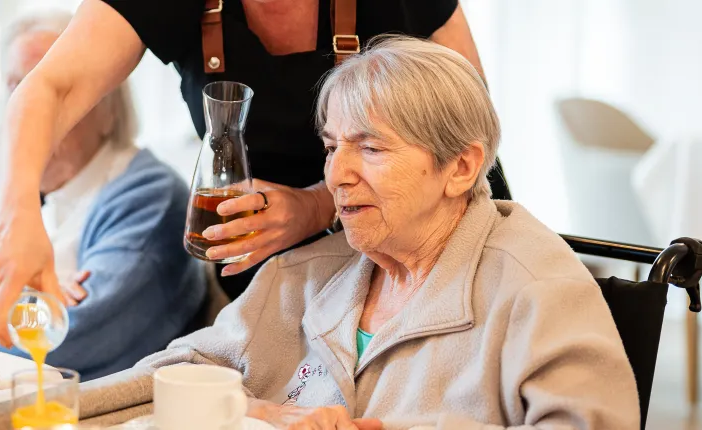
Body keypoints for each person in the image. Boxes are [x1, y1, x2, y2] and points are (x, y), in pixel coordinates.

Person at [78, 37, 639, 429]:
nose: (336, 176)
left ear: (462, 168)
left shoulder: (536, 287)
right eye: (331, 147)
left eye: (370, 148)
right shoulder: (304, 271)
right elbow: (175, 376)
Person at [0, 0, 514, 346]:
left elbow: (467, 129)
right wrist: (15, 220)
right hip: (276, 276)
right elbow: (49, 88)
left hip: (421, 246)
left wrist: (315, 204)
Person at [0, 10, 206, 381]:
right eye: (17, 89)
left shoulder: (151, 196)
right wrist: (24, 305)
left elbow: (68, 341)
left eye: (49, 91)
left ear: (106, 102)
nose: (31, 109)